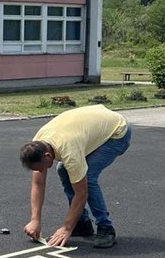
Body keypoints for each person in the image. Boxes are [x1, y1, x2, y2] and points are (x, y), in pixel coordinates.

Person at [19, 104, 131, 248]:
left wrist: (66, 227)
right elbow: (38, 184)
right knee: (64, 170)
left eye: (40, 167)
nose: (41, 171)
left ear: (47, 155)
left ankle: (106, 228)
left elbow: (82, 193)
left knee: (87, 177)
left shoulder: (69, 152)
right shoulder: (37, 144)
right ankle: (82, 223)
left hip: (117, 132)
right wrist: (35, 220)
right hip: (92, 123)